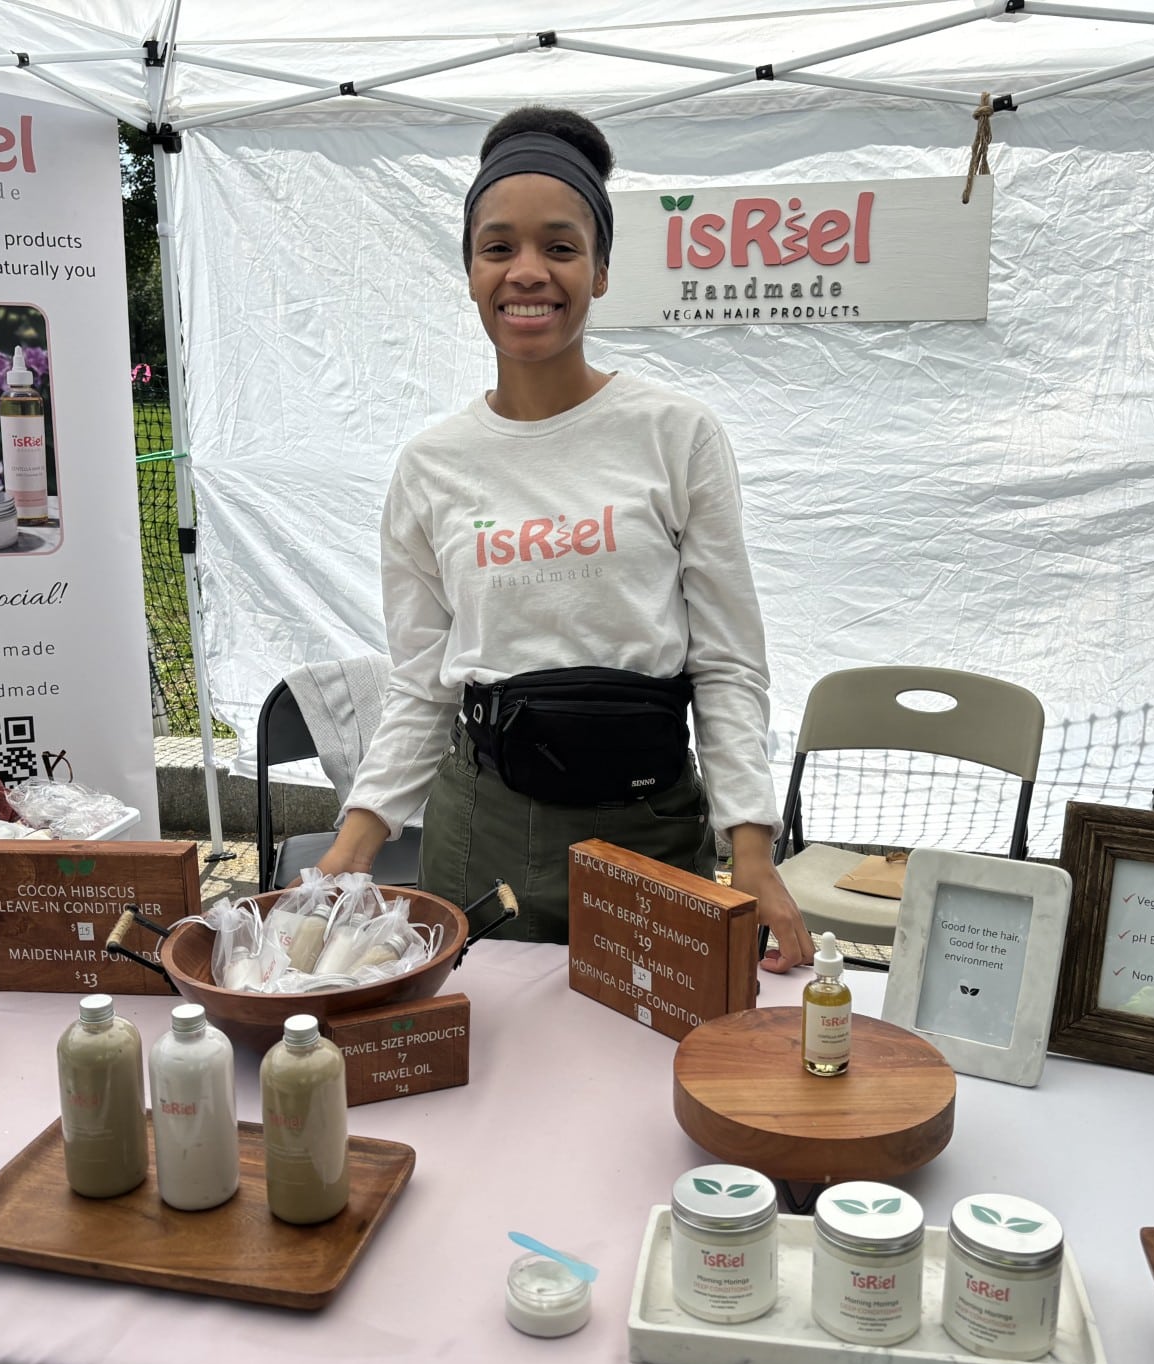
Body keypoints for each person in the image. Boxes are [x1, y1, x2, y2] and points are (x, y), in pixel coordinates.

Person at [316, 106, 811, 972]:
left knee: (646, 1069)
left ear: (603, 269)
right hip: (482, 831)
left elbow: (727, 661)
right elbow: (423, 681)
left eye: (561, 246)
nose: (528, 273)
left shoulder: (674, 433)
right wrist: (353, 844)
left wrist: (754, 851)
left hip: (648, 827)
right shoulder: (433, 465)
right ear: (470, 272)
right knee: (485, 1071)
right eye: (498, 247)